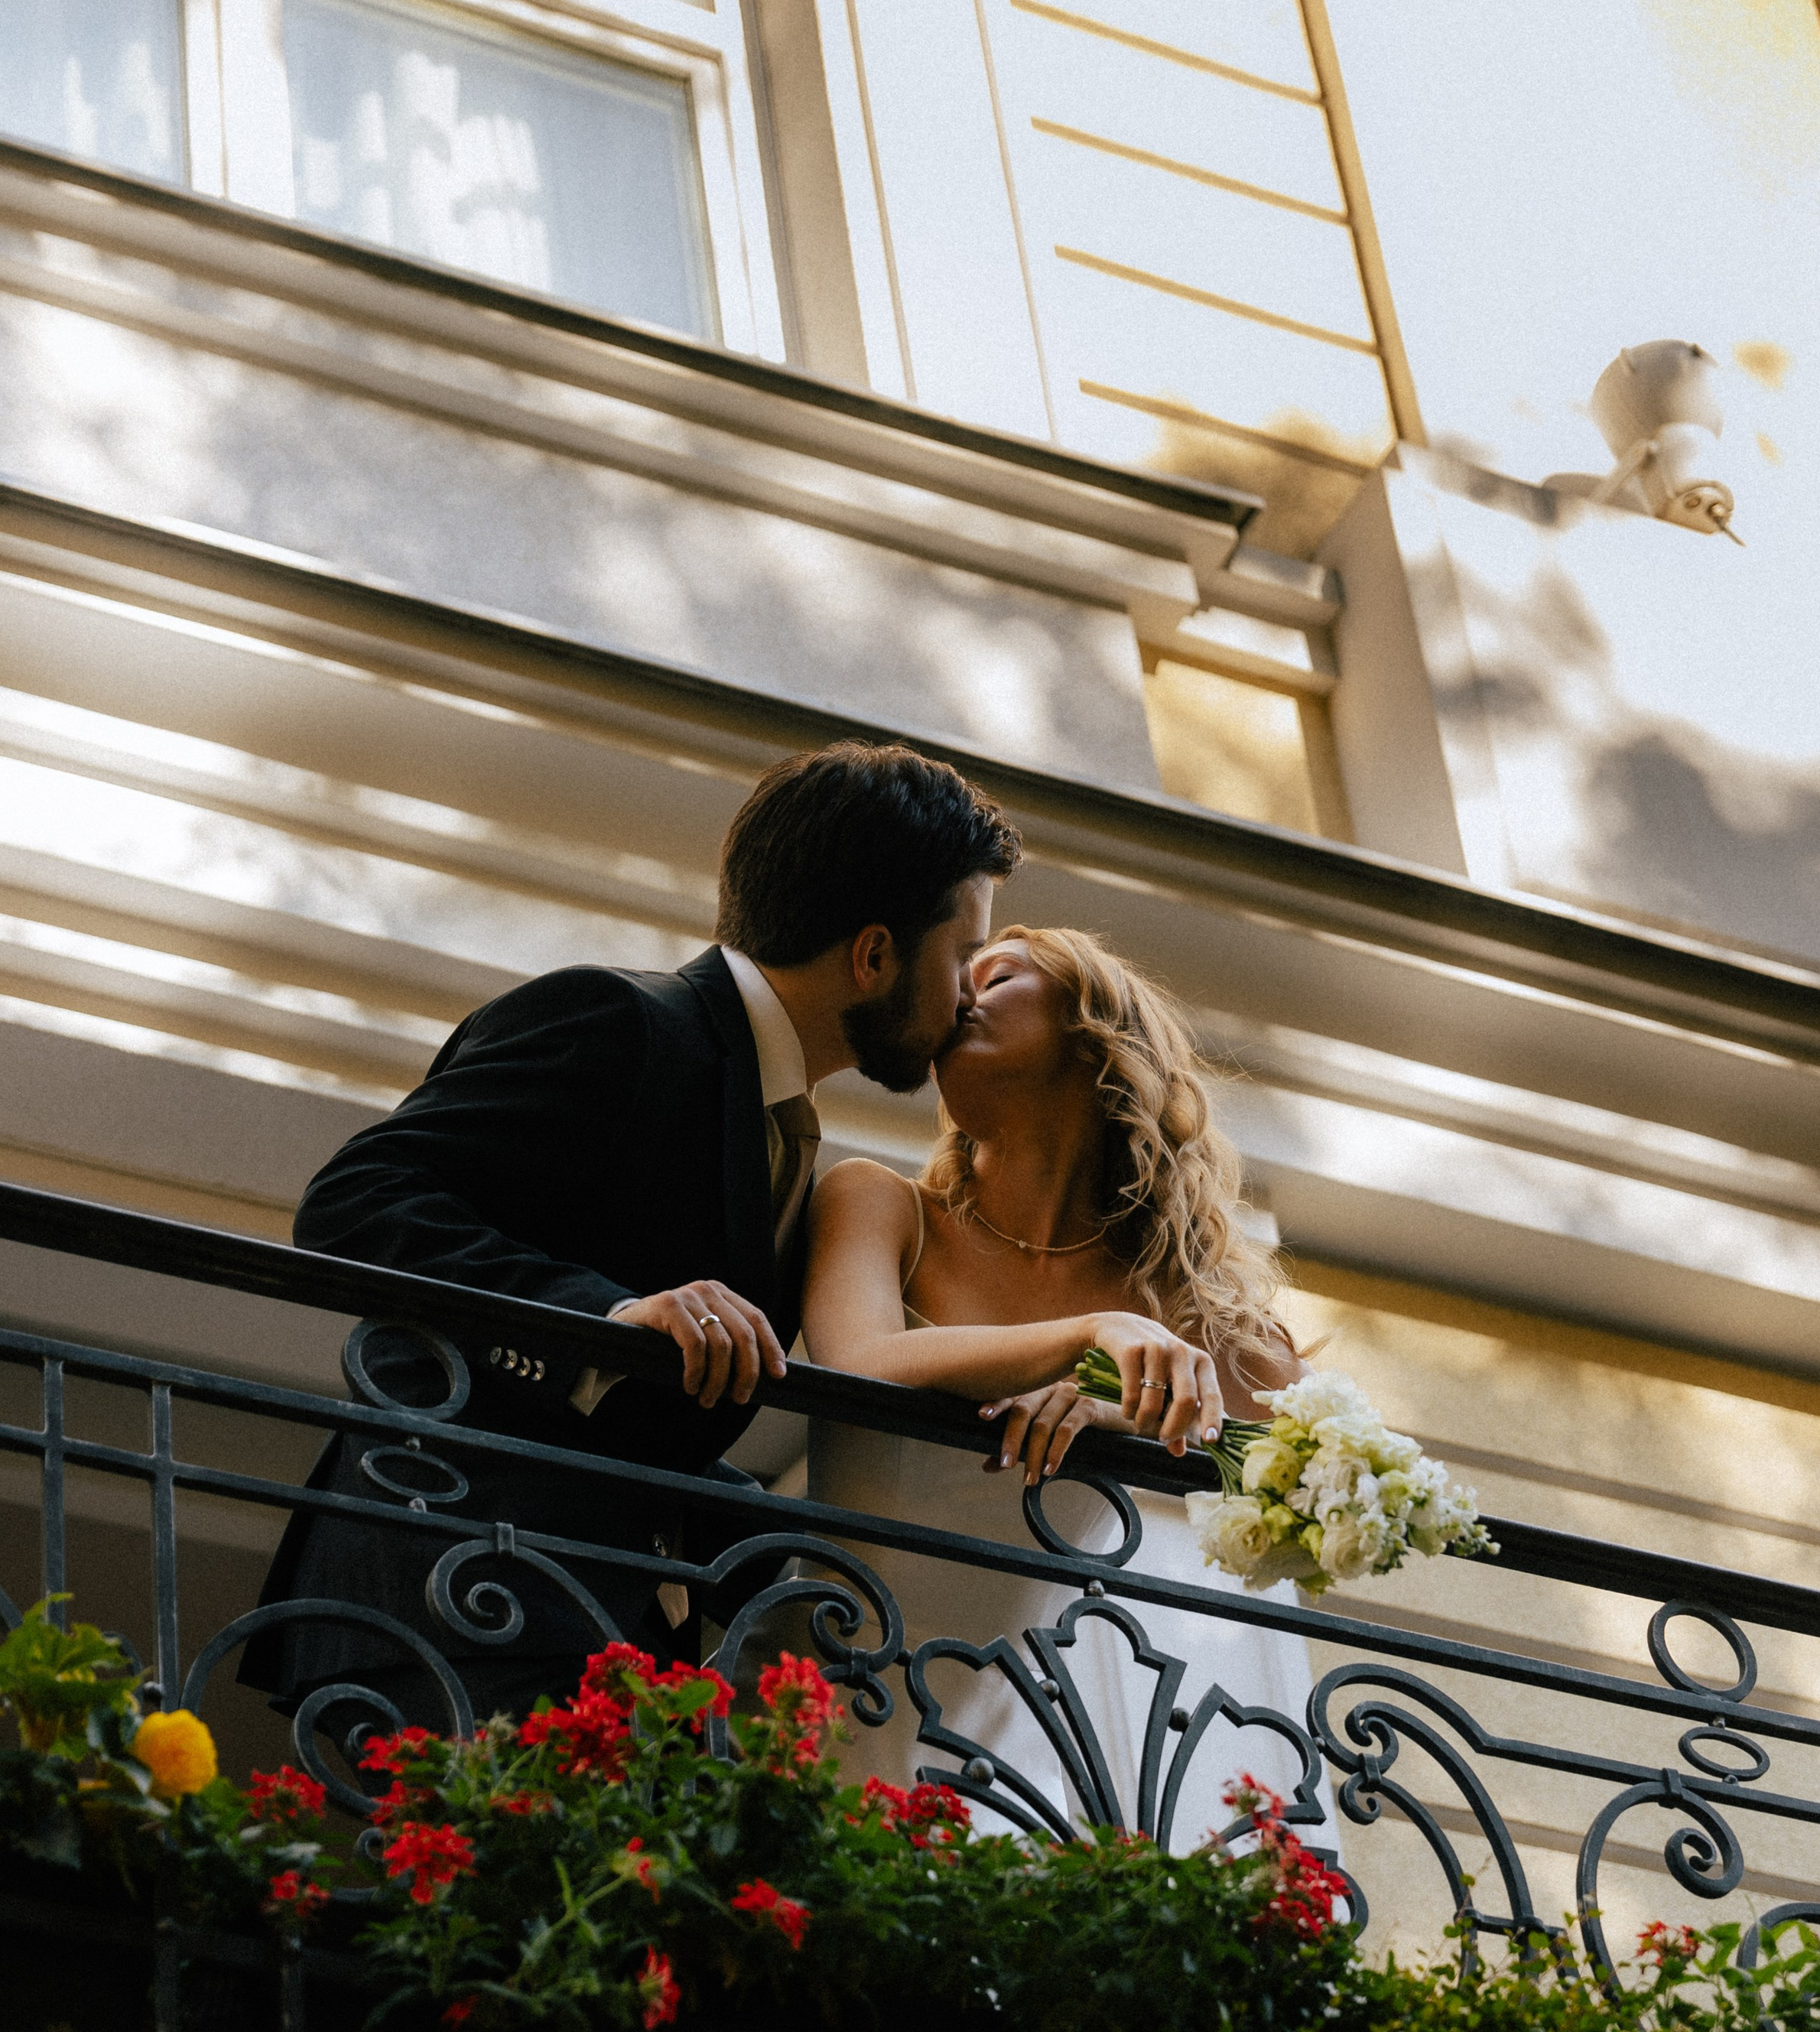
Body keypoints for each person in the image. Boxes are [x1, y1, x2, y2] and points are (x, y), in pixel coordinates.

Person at [241, 741, 1017, 1741]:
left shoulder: (783, 1131)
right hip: (464, 1590)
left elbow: (653, 1436)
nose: (966, 997)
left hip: (593, 1625)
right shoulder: (617, 1020)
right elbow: (357, 1200)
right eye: (961, 955)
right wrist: (606, 1317)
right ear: (873, 955)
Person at [792, 925, 1331, 1848]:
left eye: (997, 974)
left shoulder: (1180, 1304)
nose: (958, 991)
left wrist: (1121, 1412)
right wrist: (1087, 1340)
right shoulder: (882, 1205)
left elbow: (1329, 1482)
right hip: (811, 1700)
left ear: (1094, 1033)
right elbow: (856, 1363)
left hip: (1005, 1769)